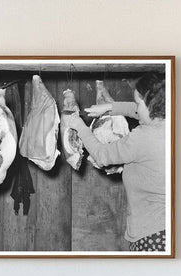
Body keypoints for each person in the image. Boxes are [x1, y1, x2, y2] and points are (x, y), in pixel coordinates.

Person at [69, 73, 166, 252]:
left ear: (151, 104)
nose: (135, 107)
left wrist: (79, 126)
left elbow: (101, 155)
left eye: (138, 102)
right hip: (166, 230)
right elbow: (137, 111)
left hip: (151, 236)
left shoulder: (143, 137)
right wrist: (109, 108)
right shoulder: (168, 126)